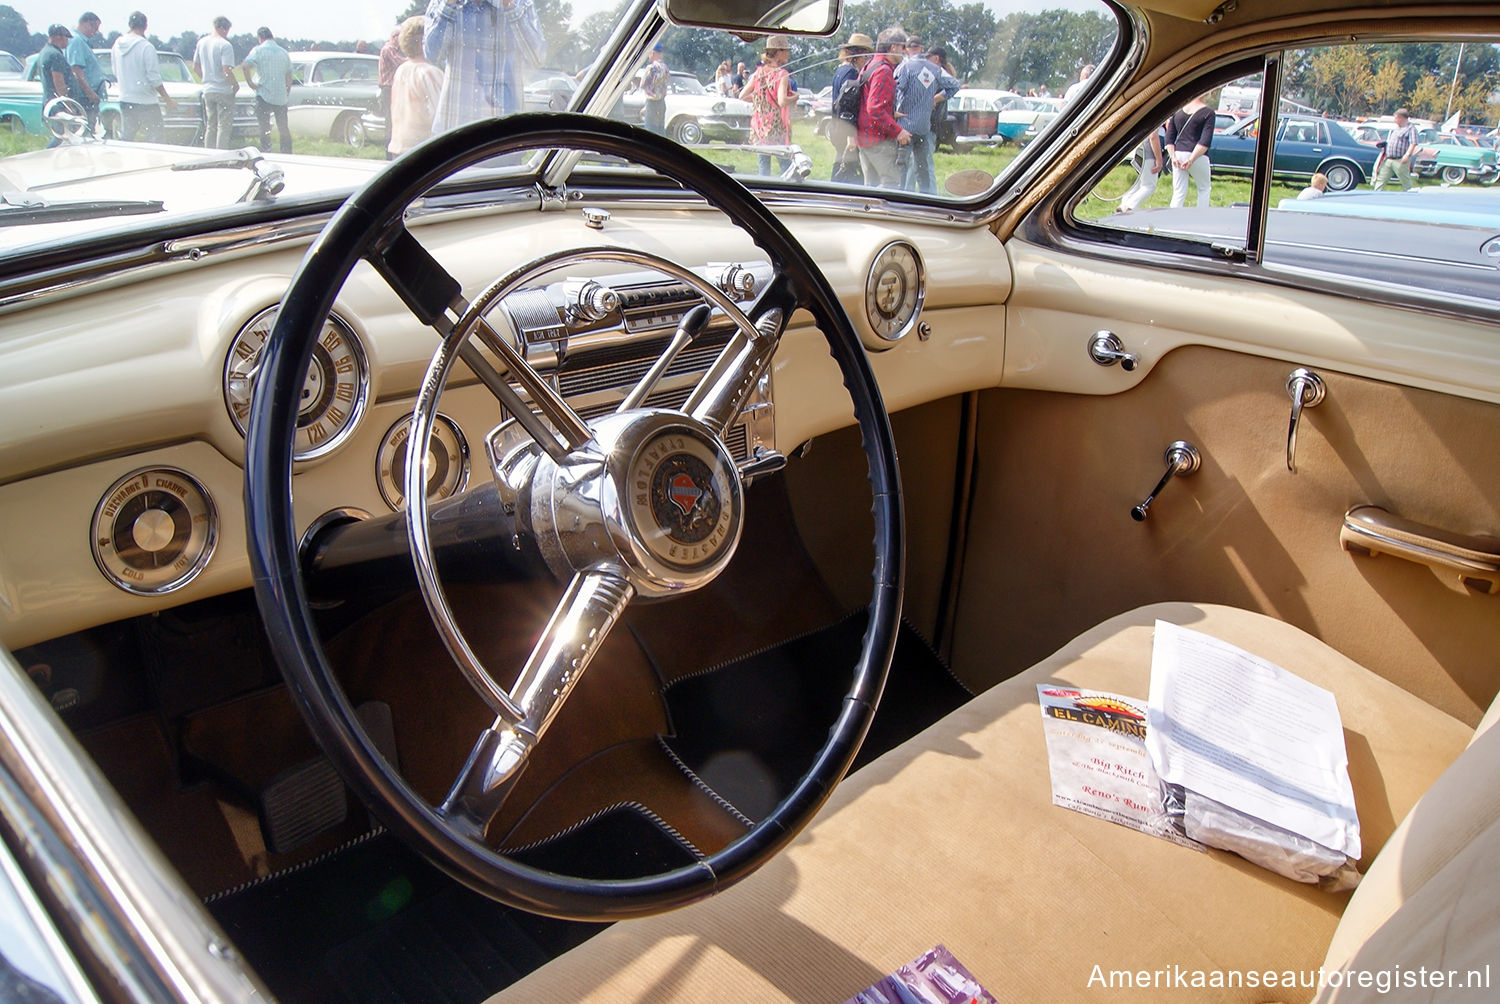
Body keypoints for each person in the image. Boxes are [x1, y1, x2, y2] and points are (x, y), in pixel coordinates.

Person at [423, 0, 546, 135]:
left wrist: (510, 7)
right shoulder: (442, 3)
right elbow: (433, 55)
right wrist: (448, 6)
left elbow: (537, 58)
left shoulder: (521, 3)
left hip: (505, 131)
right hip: (454, 128)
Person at [895, 45, 959, 194]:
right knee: (921, 168)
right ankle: (924, 198)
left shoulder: (912, 68)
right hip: (926, 126)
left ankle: (906, 198)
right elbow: (954, 86)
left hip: (915, 126)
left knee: (910, 167)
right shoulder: (935, 72)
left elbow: (899, 88)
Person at [853, 27, 911, 189]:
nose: (905, 51)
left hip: (864, 138)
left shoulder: (870, 64)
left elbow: (867, 102)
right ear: (893, 47)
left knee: (870, 188)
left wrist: (891, 113)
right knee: (891, 184)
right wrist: (898, 131)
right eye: (903, 47)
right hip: (878, 140)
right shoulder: (883, 70)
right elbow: (875, 108)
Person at [113, 12, 176, 142]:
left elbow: (115, 72)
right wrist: (167, 99)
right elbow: (154, 78)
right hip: (147, 102)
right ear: (145, 26)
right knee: (156, 139)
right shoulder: (146, 47)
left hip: (125, 99)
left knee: (127, 138)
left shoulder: (116, 46)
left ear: (130, 25)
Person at [388, 16, 444, 156]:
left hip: (398, 147)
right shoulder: (430, 73)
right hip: (422, 151)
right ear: (422, 43)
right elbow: (440, 118)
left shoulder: (401, 70)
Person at [743, 35, 796, 175]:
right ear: (778, 52)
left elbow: (742, 95)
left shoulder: (758, 73)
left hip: (760, 126)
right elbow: (782, 101)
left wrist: (760, 100)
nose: (788, 54)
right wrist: (796, 96)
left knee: (763, 166)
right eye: (786, 50)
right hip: (776, 127)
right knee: (786, 165)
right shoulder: (782, 74)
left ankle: (762, 193)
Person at [239, 27, 292, 154]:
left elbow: (245, 66)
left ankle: (266, 150)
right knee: (283, 127)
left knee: (264, 126)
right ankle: (286, 151)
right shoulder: (284, 53)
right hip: (280, 95)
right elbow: (288, 76)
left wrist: (251, 83)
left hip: (263, 93)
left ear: (260, 38)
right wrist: (287, 92)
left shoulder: (258, 50)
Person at [828, 32, 872, 183]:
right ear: (859, 55)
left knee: (841, 161)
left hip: (837, 125)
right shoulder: (851, 73)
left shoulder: (840, 70)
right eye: (866, 56)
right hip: (846, 128)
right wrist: (850, 136)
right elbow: (848, 103)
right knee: (848, 169)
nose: (866, 60)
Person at [193, 16, 239, 149]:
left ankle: (209, 151)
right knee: (223, 125)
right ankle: (221, 152)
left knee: (210, 125)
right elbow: (226, 69)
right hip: (223, 90)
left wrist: (206, 78)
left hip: (208, 89)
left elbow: (195, 66)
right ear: (223, 28)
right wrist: (234, 85)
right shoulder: (225, 45)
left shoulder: (201, 42)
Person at [1165, 93, 1214, 207]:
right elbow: (1205, 141)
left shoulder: (1177, 111)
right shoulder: (1208, 113)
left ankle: (1172, 219)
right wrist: (1191, 159)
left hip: (1178, 154)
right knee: (1204, 188)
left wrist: (1173, 157)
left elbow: (1169, 138)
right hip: (1197, 155)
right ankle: (1200, 218)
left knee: (1178, 192)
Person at [66, 12, 106, 135]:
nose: (95, 32)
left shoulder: (82, 42)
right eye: (95, 28)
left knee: (88, 130)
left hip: (87, 96)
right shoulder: (76, 41)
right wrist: (90, 93)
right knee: (83, 132)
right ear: (86, 24)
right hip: (84, 97)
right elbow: (76, 70)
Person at [38, 24, 75, 147]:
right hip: (59, 105)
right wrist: (68, 105)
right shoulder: (55, 55)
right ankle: (46, 158)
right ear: (58, 37)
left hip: (50, 102)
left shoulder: (45, 52)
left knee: (61, 136)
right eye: (66, 38)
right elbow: (58, 81)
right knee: (62, 137)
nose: (67, 41)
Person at [1118, 119, 1166, 212]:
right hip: (1149, 151)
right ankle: (1129, 206)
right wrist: (1159, 159)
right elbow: (1153, 136)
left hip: (1138, 149)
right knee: (1149, 185)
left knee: (1137, 183)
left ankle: (1123, 204)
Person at [1372, 108, 1417, 191]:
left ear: (1401, 118)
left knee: (1405, 180)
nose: (1394, 120)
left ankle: (1409, 194)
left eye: (1396, 118)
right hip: (1389, 159)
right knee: (1381, 178)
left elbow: (1413, 143)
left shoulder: (1411, 129)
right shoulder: (1397, 128)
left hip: (1400, 159)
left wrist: (1407, 155)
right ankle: (1377, 194)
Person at [378, 28, 407, 149]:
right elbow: (399, 62)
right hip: (388, 88)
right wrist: (414, 59)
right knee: (390, 120)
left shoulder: (395, 50)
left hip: (391, 88)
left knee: (394, 119)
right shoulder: (388, 49)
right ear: (395, 37)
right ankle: (388, 149)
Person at [640, 43, 670, 136]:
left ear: (652, 53)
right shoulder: (665, 68)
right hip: (661, 102)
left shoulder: (651, 68)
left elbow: (642, 84)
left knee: (650, 130)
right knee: (660, 129)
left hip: (651, 102)